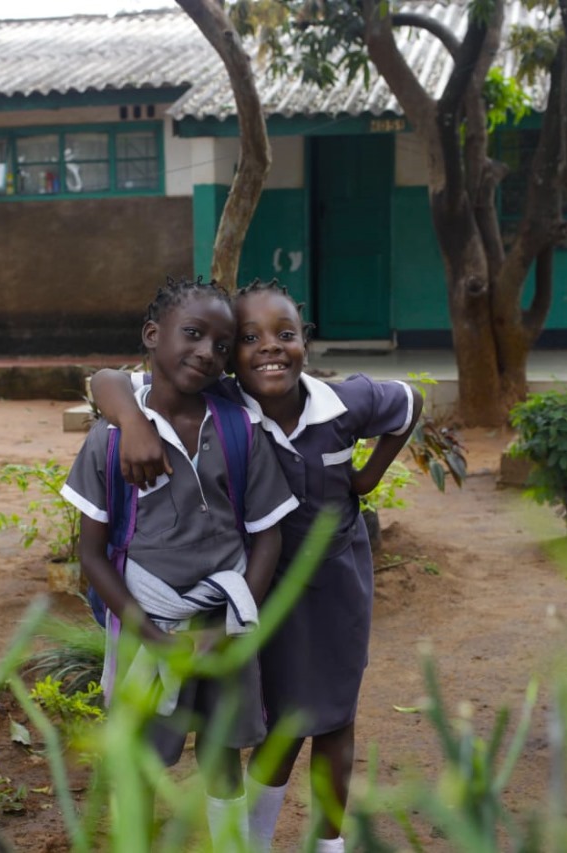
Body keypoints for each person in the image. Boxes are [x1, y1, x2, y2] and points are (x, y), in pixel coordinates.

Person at [90, 279, 421, 851]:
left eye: (285, 334)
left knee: (336, 715)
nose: (270, 347)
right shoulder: (222, 405)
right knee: (280, 714)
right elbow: (107, 381)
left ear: (305, 344)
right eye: (248, 339)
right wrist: (133, 422)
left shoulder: (345, 402)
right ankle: (256, 839)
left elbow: (409, 404)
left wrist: (366, 479)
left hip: (335, 583)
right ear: (230, 361)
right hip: (254, 591)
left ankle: (327, 843)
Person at [61, 276, 298, 849]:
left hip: (224, 627)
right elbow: (90, 553)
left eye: (221, 345)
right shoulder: (111, 441)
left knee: (223, 752)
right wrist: (151, 634)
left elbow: (268, 537)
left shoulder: (239, 427)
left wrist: (230, 626)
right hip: (149, 630)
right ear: (152, 335)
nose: (207, 354)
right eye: (192, 335)